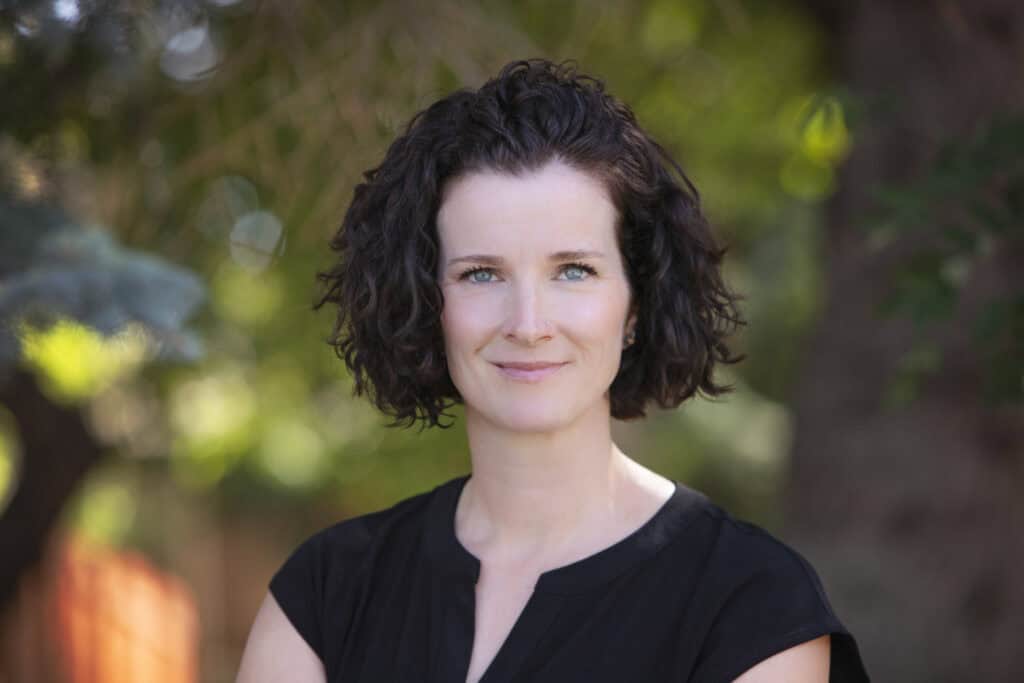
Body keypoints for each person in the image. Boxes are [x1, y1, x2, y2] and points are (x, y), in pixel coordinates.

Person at [236, 58, 870, 683]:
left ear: (636, 303)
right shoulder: (325, 593)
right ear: (426, 303)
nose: (529, 323)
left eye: (574, 270)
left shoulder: (750, 605)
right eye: (481, 273)